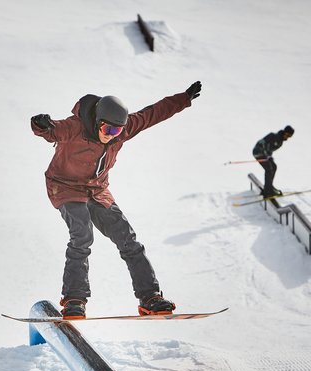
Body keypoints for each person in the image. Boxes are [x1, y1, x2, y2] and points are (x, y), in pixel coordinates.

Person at [31, 81, 202, 318]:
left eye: (118, 131)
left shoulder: (122, 129)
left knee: (128, 240)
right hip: (65, 187)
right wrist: (41, 124)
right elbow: (51, 130)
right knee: (82, 236)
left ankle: (150, 297)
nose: (112, 136)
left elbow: (152, 114)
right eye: (109, 130)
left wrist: (184, 99)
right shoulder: (75, 127)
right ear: (97, 122)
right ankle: (74, 299)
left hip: (97, 190)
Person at [252, 125, 294, 198]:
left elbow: (270, 150)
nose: (287, 137)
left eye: (290, 136)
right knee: (269, 169)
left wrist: (269, 156)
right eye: (287, 135)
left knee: (274, 166)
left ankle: (269, 186)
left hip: (264, 155)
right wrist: (267, 156)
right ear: (284, 132)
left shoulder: (280, 142)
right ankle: (268, 190)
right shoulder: (273, 135)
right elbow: (262, 143)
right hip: (258, 152)